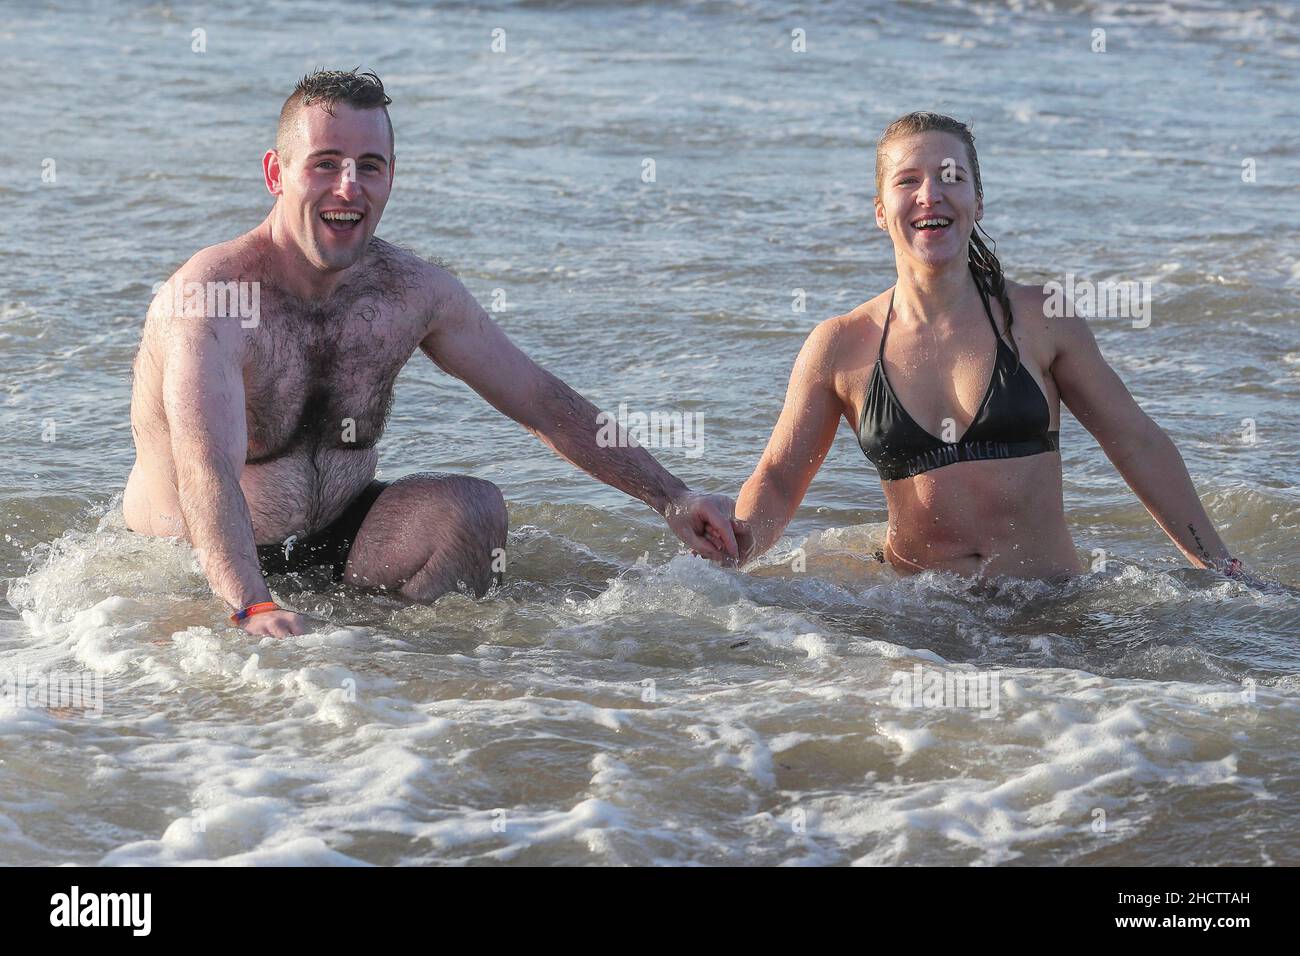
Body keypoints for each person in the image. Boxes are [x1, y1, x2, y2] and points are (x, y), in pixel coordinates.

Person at [123, 69, 738, 638]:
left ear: (391, 175)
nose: (349, 186)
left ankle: (395, 690)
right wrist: (251, 604)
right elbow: (207, 467)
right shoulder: (212, 299)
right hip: (194, 559)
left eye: (370, 165)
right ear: (275, 173)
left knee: (471, 511)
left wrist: (673, 497)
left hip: (338, 535)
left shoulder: (412, 291)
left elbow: (542, 401)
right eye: (325, 163)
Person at [729, 111, 1250, 582]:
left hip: (1050, 605)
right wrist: (728, 560)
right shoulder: (840, 345)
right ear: (882, 212)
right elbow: (778, 479)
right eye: (907, 180)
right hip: (918, 620)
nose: (930, 193)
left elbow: (1136, 443)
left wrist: (1220, 567)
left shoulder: (1041, 317)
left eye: (950, 177)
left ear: (977, 201)